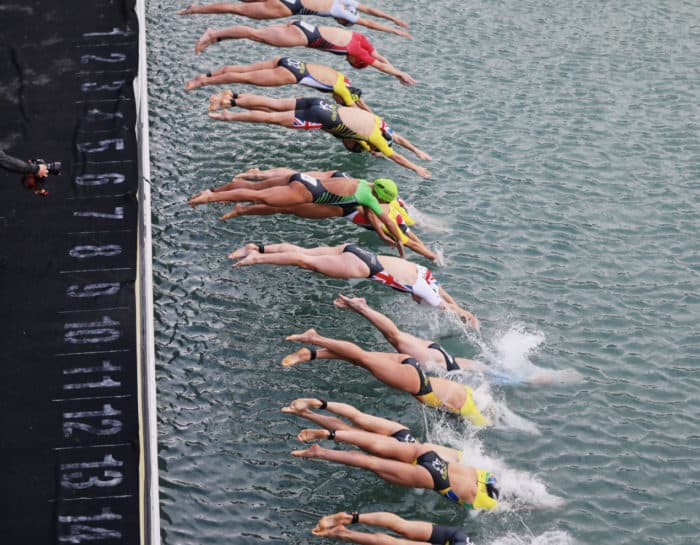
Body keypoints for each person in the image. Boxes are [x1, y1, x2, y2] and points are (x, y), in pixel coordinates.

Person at [228, 243, 477, 325]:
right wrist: (466, 316)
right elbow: (447, 306)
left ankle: (256, 246)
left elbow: (445, 294)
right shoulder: (425, 293)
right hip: (363, 267)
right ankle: (257, 258)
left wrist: (460, 307)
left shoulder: (425, 276)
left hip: (358, 251)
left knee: (307, 252)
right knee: (305, 262)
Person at [283, 328, 488, 425]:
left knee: (360, 359)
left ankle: (309, 354)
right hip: (416, 383)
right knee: (361, 357)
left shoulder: (470, 393)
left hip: (411, 366)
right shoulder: (471, 415)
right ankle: (315, 338)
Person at [207, 91, 431, 177]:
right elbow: (396, 155)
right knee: (271, 118)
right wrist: (416, 168)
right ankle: (227, 115)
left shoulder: (379, 123)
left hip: (321, 104)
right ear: (374, 146)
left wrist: (418, 151)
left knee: (275, 104)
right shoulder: (375, 141)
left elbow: (399, 138)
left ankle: (233, 98)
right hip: (323, 118)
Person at [189, 175, 407, 256]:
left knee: (255, 188)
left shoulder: (362, 185)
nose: (382, 205)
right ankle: (209, 197)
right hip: (305, 193)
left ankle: (217, 190)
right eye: (383, 201)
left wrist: (384, 236)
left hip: (302, 179)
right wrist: (399, 242)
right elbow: (386, 219)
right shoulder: (368, 197)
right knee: (259, 195)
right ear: (379, 195)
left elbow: (372, 213)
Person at [292, 426, 499, 510]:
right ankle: (320, 452)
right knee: (372, 463)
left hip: (431, 457)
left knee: (375, 443)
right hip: (436, 479)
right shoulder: (489, 505)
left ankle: (331, 434)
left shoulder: (486, 474)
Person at [193, 21, 416, 85]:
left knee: (257, 35)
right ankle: (214, 33)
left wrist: (396, 67)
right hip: (303, 37)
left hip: (305, 26)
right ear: (356, 59)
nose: (349, 60)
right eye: (352, 62)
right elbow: (380, 65)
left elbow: (379, 57)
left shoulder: (360, 40)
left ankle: (217, 37)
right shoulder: (355, 49)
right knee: (256, 34)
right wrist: (399, 74)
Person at [282, 397, 461, 462]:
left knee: (357, 416)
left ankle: (318, 404)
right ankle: (308, 417)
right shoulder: (462, 469)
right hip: (404, 454)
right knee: (348, 432)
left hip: (406, 436)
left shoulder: (462, 454)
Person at [185, 56, 371, 111]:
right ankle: (205, 82)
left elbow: (358, 101)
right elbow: (356, 110)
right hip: (292, 73)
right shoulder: (342, 91)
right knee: (245, 78)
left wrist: (365, 107)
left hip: (290, 61)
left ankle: (207, 74)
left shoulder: (342, 80)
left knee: (245, 69)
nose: (337, 101)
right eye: (340, 101)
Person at [178, 0, 411, 38]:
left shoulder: (347, 2)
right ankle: (194, 10)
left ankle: (196, 6)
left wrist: (395, 19)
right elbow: (369, 22)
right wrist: (394, 31)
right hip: (289, 7)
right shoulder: (341, 14)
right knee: (236, 10)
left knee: (243, 1)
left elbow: (371, 11)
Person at [312, 511, 472, 545]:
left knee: (403, 526)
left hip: (461, 538)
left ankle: (351, 518)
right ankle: (343, 533)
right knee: (396, 544)